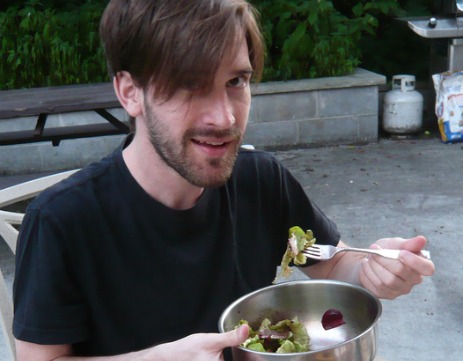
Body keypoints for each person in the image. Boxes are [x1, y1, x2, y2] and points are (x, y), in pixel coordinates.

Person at [12, 0, 435, 360]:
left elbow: (335, 260)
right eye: (189, 85)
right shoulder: (62, 222)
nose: (225, 118)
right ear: (129, 92)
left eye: (236, 81)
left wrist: (373, 270)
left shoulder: (262, 181)